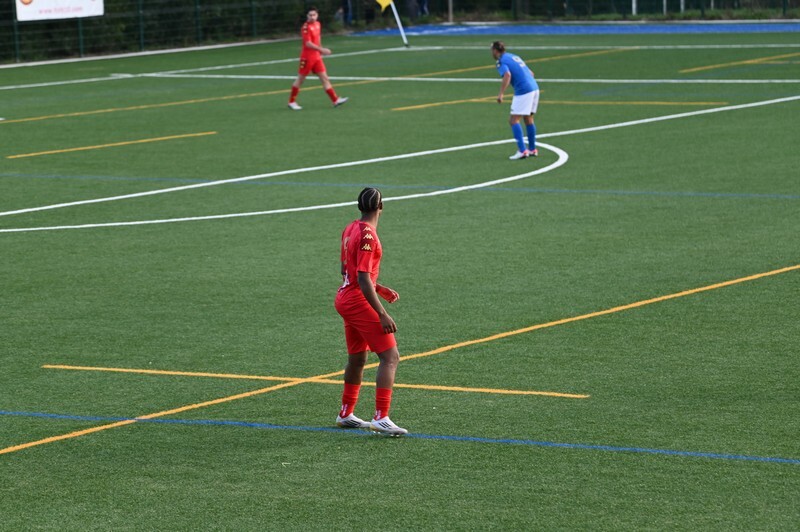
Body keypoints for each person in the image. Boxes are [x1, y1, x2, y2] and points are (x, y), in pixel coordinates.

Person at [334, 187, 407, 436]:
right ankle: (381, 417)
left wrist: (379, 287)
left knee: (357, 358)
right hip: (357, 299)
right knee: (390, 357)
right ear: (381, 207)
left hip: (345, 297)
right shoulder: (368, 236)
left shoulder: (350, 228)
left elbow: (348, 271)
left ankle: (346, 413)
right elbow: (363, 278)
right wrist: (382, 313)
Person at [287, 7, 349, 111]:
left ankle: (335, 100)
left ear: (317, 15)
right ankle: (291, 102)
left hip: (316, 57)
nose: (312, 17)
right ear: (307, 16)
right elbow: (308, 43)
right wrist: (322, 50)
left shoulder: (318, 24)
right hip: (307, 57)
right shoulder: (306, 27)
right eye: (310, 15)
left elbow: (318, 38)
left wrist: (320, 51)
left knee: (324, 78)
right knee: (301, 79)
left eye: (314, 15)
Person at [492, 41, 540, 160]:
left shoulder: (501, 61)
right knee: (528, 118)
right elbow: (531, 73)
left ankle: (522, 151)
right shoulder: (514, 56)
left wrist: (501, 93)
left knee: (513, 120)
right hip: (534, 88)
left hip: (524, 90)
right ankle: (532, 149)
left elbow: (507, 75)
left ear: (495, 51)